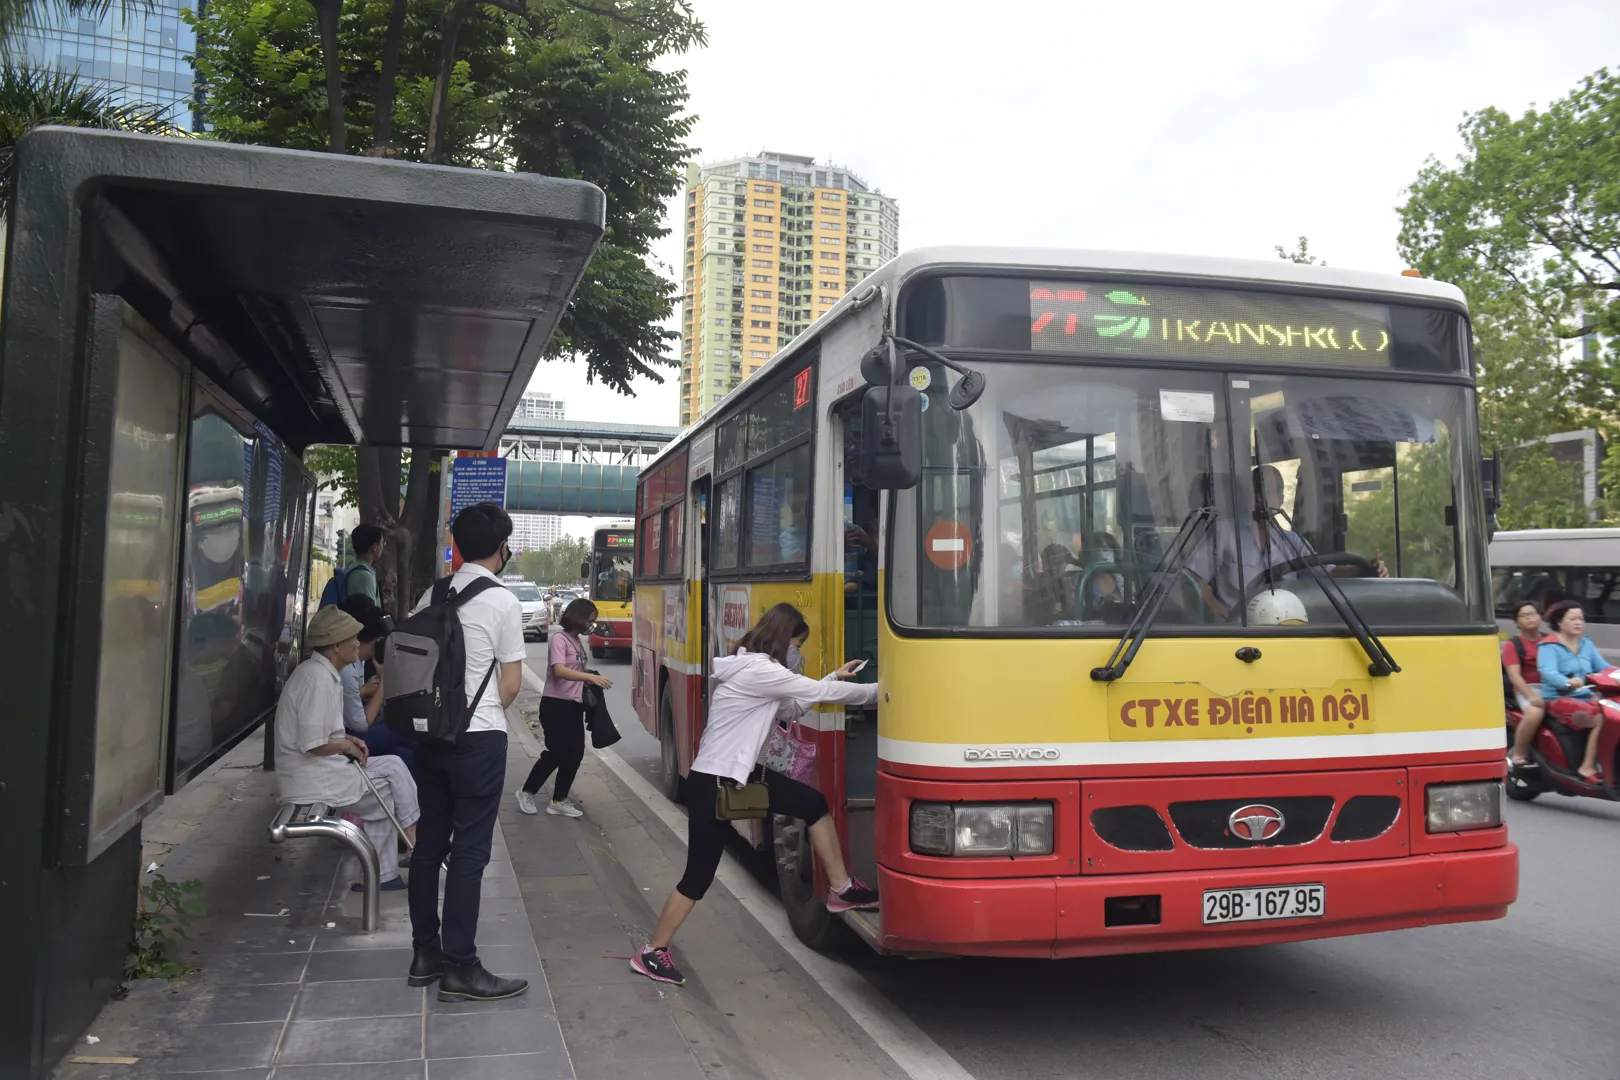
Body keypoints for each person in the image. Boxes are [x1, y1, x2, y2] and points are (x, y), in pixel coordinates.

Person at [632, 604, 880, 986]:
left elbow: (793, 706)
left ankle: (841, 888)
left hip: (737, 774)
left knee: (812, 804)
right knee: (697, 876)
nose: (798, 654)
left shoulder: (754, 669)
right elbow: (818, 692)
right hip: (715, 781)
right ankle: (652, 952)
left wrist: (833, 675)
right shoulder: (762, 670)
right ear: (784, 640)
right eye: (798, 645)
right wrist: (885, 693)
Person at [405, 502, 530, 1002]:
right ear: (502, 548)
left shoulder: (428, 596)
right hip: (477, 740)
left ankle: (424, 954)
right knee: (470, 854)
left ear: (455, 545)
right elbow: (513, 683)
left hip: (427, 737)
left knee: (429, 843)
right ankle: (461, 966)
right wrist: (479, 719)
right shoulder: (502, 602)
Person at [273, 606, 414, 891]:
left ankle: (409, 847)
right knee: (386, 790)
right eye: (353, 638)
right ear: (336, 645)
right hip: (311, 774)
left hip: (321, 766)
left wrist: (350, 743)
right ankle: (404, 856)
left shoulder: (322, 674)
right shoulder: (317, 679)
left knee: (395, 765)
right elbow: (314, 743)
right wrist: (347, 744)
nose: (357, 644)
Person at [1193, 465, 1388, 620]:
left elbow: (1324, 572)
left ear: (1281, 498)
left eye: (1272, 491)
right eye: (1258, 490)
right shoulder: (1224, 531)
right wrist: (1213, 606)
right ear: (1250, 497)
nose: (1264, 498)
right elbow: (1193, 577)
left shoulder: (1292, 542)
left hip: (1286, 629)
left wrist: (1363, 569)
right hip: (1236, 630)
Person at [515, 598, 611, 818]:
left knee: (575, 753)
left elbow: (576, 670)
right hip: (556, 705)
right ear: (578, 617)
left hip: (574, 705)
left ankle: (559, 799)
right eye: (590, 620)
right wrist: (588, 677)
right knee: (557, 753)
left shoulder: (576, 640)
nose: (591, 625)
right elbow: (559, 670)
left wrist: (590, 680)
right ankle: (526, 791)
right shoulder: (559, 639)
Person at [337, 595, 417, 774]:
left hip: (345, 728)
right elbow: (361, 724)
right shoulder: (347, 667)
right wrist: (384, 683)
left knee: (405, 754)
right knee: (404, 731)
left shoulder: (356, 661)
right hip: (345, 737)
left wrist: (363, 691)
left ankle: (417, 800)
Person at [1537, 601, 1610, 782]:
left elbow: (1604, 668)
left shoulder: (1586, 644)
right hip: (1559, 699)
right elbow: (1548, 671)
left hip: (1586, 698)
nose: (1578, 622)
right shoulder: (1549, 646)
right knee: (1602, 719)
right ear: (1559, 622)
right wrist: (1567, 682)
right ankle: (1587, 766)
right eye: (1573, 619)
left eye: (1581, 618)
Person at [1504, 601, 1547, 768]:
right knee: (1535, 713)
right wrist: (1531, 697)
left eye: (1533, 614)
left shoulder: (1549, 641)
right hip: (1527, 689)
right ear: (1517, 622)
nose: (1530, 618)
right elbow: (1514, 676)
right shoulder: (1513, 645)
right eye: (1524, 615)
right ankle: (1519, 753)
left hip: (1551, 688)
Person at [342, 523, 385, 605]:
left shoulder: (353, 569)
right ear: (374, 547)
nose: (383, 546)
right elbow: (368, 614)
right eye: (382, 543)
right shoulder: (364, 577)